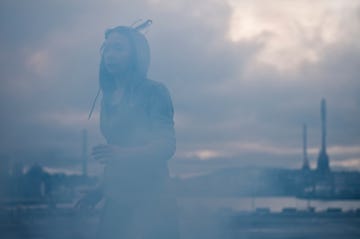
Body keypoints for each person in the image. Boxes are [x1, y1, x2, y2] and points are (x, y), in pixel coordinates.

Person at [76, 24, 179, 239]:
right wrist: (98, 191)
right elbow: (113, 158)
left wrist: (122, 153)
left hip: (152, 200)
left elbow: (165, 146)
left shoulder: (155, 91)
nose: (110, 55)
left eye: (119, 48)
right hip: (117, 198)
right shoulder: (108, 98)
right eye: (107, 48)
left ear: (136, 55)